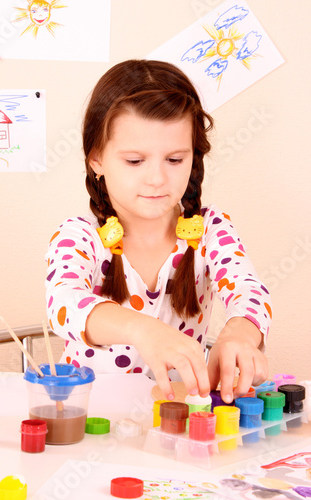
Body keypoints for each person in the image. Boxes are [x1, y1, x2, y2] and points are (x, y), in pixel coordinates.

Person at [45, 59, 272, 403]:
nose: (157, 179)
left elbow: (250, 293)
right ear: (96, 160)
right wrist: (143, 331)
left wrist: (238, 334)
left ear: (194, 158)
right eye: (135, 161)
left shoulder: (211, 230)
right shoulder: (80, 236)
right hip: (91, 415)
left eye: (175, 159)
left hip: (176, 422)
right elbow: (64, 305)